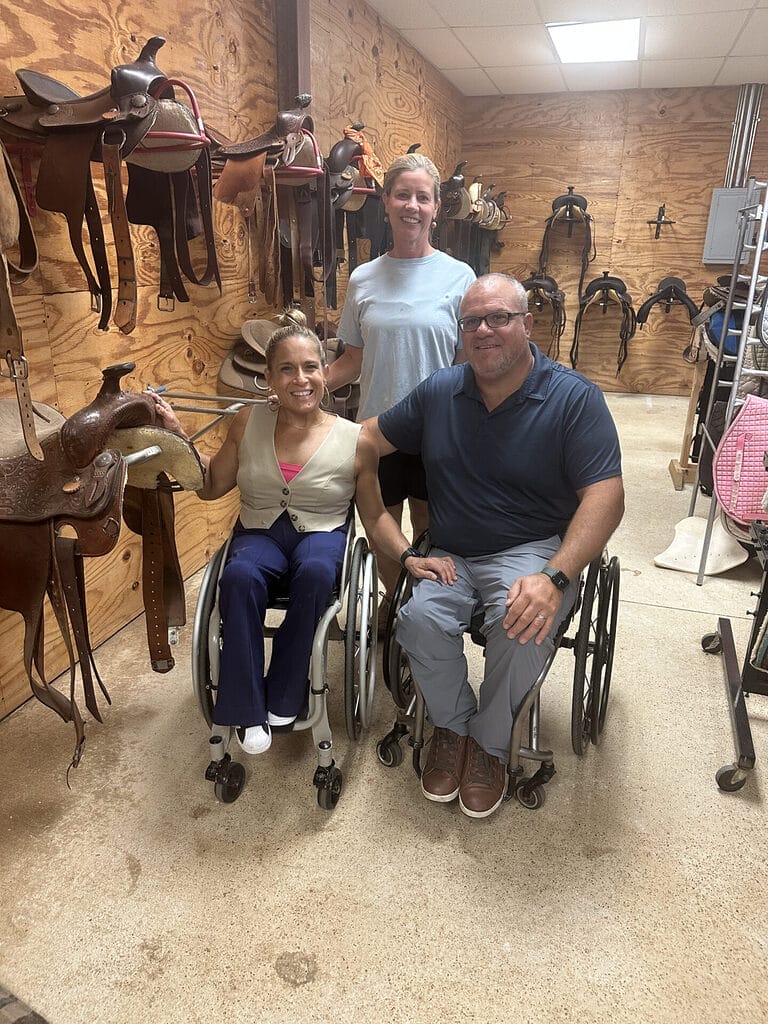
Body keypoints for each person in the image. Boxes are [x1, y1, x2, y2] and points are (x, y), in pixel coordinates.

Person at [362, 274, 625, 819]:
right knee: (417, 620)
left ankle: (489, 741)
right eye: (471, 321)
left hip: (533, 549)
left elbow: (607, 496)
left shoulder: (573, 399)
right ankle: (453, 728)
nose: (484, 330)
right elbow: (365, 438)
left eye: (499, 318)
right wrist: (288, 420)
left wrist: (557, 576)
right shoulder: (441, 390)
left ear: (527, 324)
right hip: (452, 551)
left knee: (521, 624)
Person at [149, 312, 454, 755]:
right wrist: (179, 440)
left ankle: (285, 694)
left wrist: (407, 556)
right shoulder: (246, 423)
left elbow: (375, 517)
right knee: (238, 578)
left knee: (314, 573)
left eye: (310, 367)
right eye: (287, 369)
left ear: (325, 374)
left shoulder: (356, 440)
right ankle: (246, 708)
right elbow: (212, 486)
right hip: (258, 530)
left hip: (323, 534)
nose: (300, 379)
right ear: (269, 378)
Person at [327, 152, 475, 610]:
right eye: (403, 195)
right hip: (377, 429)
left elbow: (466, 363)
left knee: (433, 531)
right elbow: (352, 359)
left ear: (435, 208)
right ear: (386, 201)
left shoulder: (459, 276)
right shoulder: (363, 279)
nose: (412, 205)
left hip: (440, 431)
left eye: (422, 197)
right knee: (382, 531)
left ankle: (425, 616)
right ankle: (394, 612)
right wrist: (308, 389)